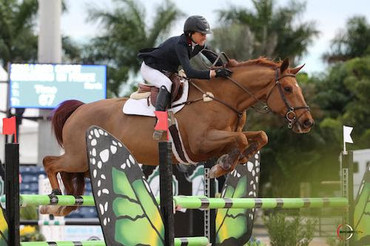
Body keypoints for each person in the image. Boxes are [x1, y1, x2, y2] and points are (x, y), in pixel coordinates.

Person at [138, 15, 232, 140]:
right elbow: (190, 72)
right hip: (151, 68)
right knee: (166, 83)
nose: (205, 37)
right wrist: (215, 74)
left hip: (168, 69)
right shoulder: (180, 45)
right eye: (202, 34)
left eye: (205, 34)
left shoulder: (199, 44)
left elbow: (216, 61)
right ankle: (160, 122)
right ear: (190, 34)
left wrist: (229, 69)